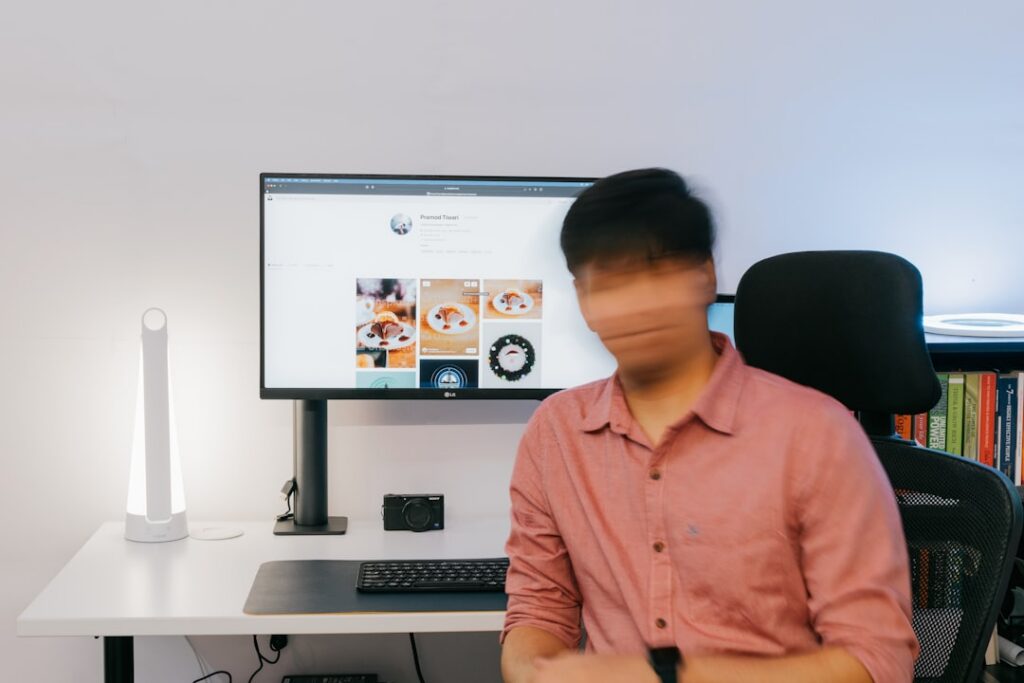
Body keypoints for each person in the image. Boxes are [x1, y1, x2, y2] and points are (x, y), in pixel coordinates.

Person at [500, 168, 918, 683]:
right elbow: (539, 611)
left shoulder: (817, 435)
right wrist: (538, 672)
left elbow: (877, 661)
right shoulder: (556, 433)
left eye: (655, 273)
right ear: (582, 299)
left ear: (704, 275)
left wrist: (665, 677)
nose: (634, 305)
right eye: (607, 283)